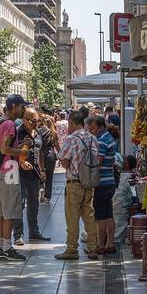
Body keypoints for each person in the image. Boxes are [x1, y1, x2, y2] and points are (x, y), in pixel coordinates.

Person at [55, 109, 100, 260]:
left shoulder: (71, 138)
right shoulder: (93, 138)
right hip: (89, 182)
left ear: (73, 122)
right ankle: (93, 247)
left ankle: (72, 249)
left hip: (74, 182)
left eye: (69, 123)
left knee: (72, 217)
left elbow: (65, 162)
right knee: (89, 215)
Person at [0, 94, 28, 261]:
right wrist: (21, 151)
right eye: (22, 106)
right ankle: (7, 248)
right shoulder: (10, 124)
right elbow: (5, 150)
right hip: (10, 170)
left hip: (1, 170)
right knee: (10, 211)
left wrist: (19, 146)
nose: (24, 109)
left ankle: (1, 246)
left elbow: (5, 148)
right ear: (14, 106)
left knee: (2, 211)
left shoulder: (2, 123)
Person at [12, 106, 48, 244]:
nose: (34, 123)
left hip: (35, 174)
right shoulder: (16, 132)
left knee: (34, 205)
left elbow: (40, 153)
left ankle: (34, 232)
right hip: (19, 174)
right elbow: (9, 151)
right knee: (19, 205)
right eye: (32, 121)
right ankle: (18, 235)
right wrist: (21, 149)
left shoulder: (37, 133)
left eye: (36, 121)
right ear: (24, 119)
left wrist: (43, 170)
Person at [91, 114, 119, 253]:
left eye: (94, 128)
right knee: (109, 214)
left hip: (102, 183)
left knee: (100, 216)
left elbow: (98, 161)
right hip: (111, 182)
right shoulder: (110, 139)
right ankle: (110, 243)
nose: (92, 131)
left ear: (101, 127)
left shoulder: (102, 141)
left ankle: (101, 245)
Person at [112, 153, 139, 250]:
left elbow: (132, 193)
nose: (123, 162)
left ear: (127, 164)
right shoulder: (121, 175)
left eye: (125, 161)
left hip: (121, 205)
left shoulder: (130, 177)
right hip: (117, 204)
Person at [37, 114, 59, 204]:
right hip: (50, 155)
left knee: (40, 174)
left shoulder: (37, 132)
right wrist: (61, 156)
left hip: (40, 154)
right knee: (49, 177)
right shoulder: (52, 132)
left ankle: (41, 188)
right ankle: (47, 197)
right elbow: (57, 146)